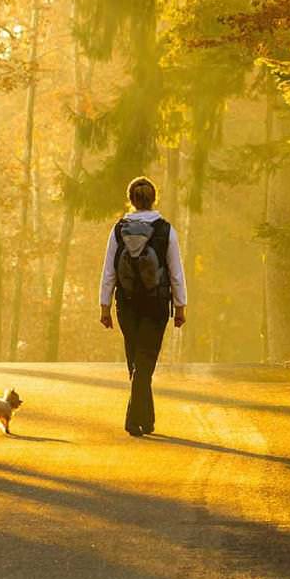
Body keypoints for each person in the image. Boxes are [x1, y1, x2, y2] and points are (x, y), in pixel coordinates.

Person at [99, 176, 187, 437]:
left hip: (126, 305)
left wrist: (105, 306)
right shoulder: (166, 230)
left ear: (131, 199)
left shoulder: (119, 230)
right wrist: (180, 307)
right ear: (153, 198)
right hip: (157, 304)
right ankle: (133, 418)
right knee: (144, 363)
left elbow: (108, 272)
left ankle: (145, 422)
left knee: (136, 361)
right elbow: (176, 272)